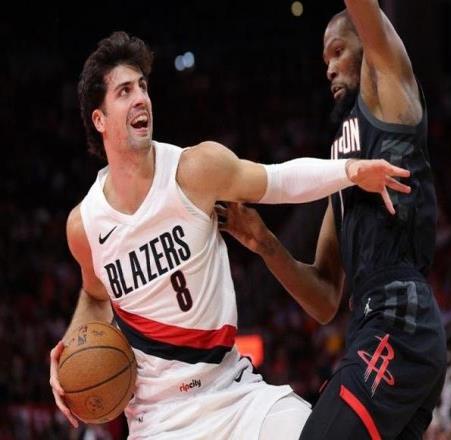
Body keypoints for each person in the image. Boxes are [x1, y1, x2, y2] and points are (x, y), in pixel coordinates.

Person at [47, 31, 411, 440]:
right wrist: (71, 347)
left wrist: (350, 171)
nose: (141, 99)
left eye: (143, 87)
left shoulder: (193, 170)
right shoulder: (85, 224)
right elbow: (95, 295)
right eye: (124, 91)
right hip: (158, 420)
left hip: (233, 394)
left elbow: (277, 180)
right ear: (99, 120)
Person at [218, 2, 447, 439]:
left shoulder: (389, 93)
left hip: (400, 322)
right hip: (371, 325)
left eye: (338, 51)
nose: (329, 68)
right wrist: (265, 243)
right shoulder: (342, 167)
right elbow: (324, 300)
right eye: (325, 59)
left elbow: (366, 13)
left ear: (367, 47)